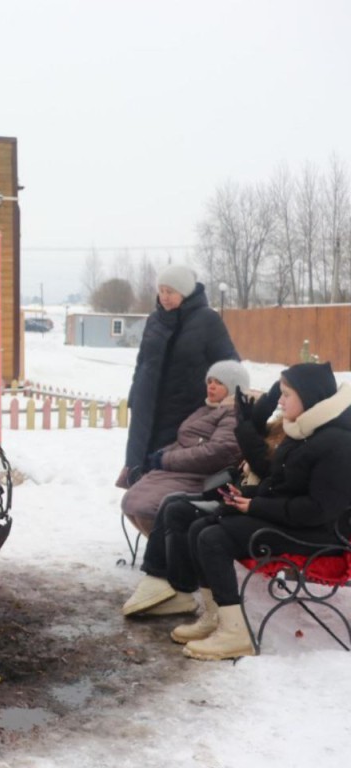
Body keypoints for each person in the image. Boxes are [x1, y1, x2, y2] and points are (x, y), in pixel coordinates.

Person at [130, 362, 351, 661]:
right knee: (201, 526)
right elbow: (278, 486)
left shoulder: (337, 443)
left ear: (309, 397)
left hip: (319, 537)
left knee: (214, 537)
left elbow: (319, 509)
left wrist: (256, 506)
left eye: (286, 395)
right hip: (294, 522)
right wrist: (244, 495)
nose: (280, 401)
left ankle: (236, 635)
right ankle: (217, 617)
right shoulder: (301, 433)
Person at [118, 264, 238, 489]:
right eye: (161, 290)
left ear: (185, 292)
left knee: (169, 474)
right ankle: (142, 517)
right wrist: (135, 396)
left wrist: (223, 399)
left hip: (186, 409)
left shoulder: (207, 321)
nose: (164, 297)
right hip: (147, 408)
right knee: (139, 470)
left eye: (170, 291)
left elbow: (229, 365)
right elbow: (142, 361)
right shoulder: (154, 320)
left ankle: (161, 519)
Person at [120, 360, 248, 539]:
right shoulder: (208, 409)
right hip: (182, 471)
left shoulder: (232, 414)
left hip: (202, 477)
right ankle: (162, 551)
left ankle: (171, 554)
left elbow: (218, 452)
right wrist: (161, 454)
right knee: (131, 501)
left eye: (219, 383)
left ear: (234, 387)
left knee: (144, 508)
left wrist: (166, 459)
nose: (211, 386)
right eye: (210, 381)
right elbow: (186, 441)